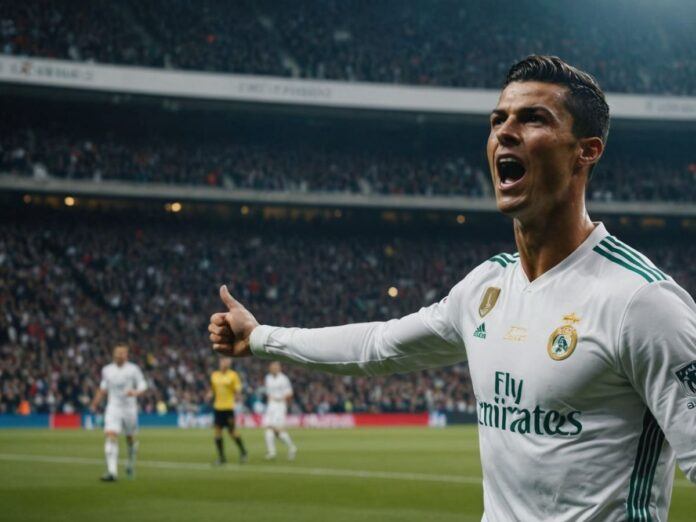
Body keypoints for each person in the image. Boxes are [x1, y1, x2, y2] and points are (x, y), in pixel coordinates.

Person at [207, 56, 696, 520]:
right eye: (497, 119)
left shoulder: (641, 302)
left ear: (586, 151)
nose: (505, 131)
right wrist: (261, 337)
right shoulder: (485, 288)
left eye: (533, 119)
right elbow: (379, 346)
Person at [90, 344, 147, 482]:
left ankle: (130, 462)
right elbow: (103, 388)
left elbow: (143, 384)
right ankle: (112, 472)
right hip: (113, 407)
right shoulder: (107, 370)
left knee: (130, 439)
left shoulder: (133, 369)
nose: (120, 355)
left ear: (127, 355)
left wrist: (135, 392)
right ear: (114, 354)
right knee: (110, 436)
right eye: (118, 353)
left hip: (129, 409)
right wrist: (95, 403)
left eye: (123, 353)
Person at [208, 356, 248, 464]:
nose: (224, 363)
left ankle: (243, 451)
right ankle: (221, 458)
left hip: (228, 408)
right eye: (223, 361)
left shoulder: (233, 375)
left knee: (232, 432)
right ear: (220, 362)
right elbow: (212, 390)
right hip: (217, 408)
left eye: (226, 361)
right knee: (217, 432)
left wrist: (238, 396)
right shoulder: (214, 375)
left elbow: (238, 389)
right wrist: (209, 395)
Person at [262, 362, 297, 460]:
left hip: (280, 405)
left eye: (276, 367)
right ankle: (272, 452)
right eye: (272, 367)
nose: (274, 369)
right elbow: (268, 392)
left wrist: (283, 401)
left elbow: (289, 393)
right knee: (269, 429)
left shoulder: (284, 379)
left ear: (279, 368)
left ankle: (291, 447)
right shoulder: (267, 378)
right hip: (271, 405)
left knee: (276, 429)